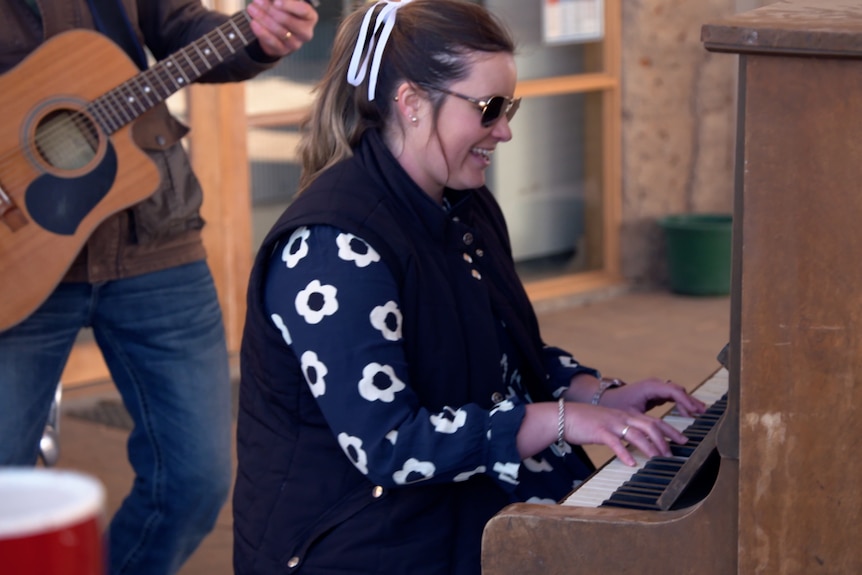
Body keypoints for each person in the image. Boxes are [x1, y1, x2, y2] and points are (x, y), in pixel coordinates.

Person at [233, 1, 706, 573]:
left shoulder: (466, 205)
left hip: (458, 497)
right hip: (360, 535)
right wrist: (557, 419)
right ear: (410, 104)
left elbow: (495, 354)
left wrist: (592, 395)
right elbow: (389, 447)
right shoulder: (333, 247)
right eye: (489, 109)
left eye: (511, 107)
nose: (504, 130)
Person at [0, 0, 317, 573]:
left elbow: (180, 28)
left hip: (153, 233)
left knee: (196, 481)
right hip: (17, 260)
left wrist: (255, 37)